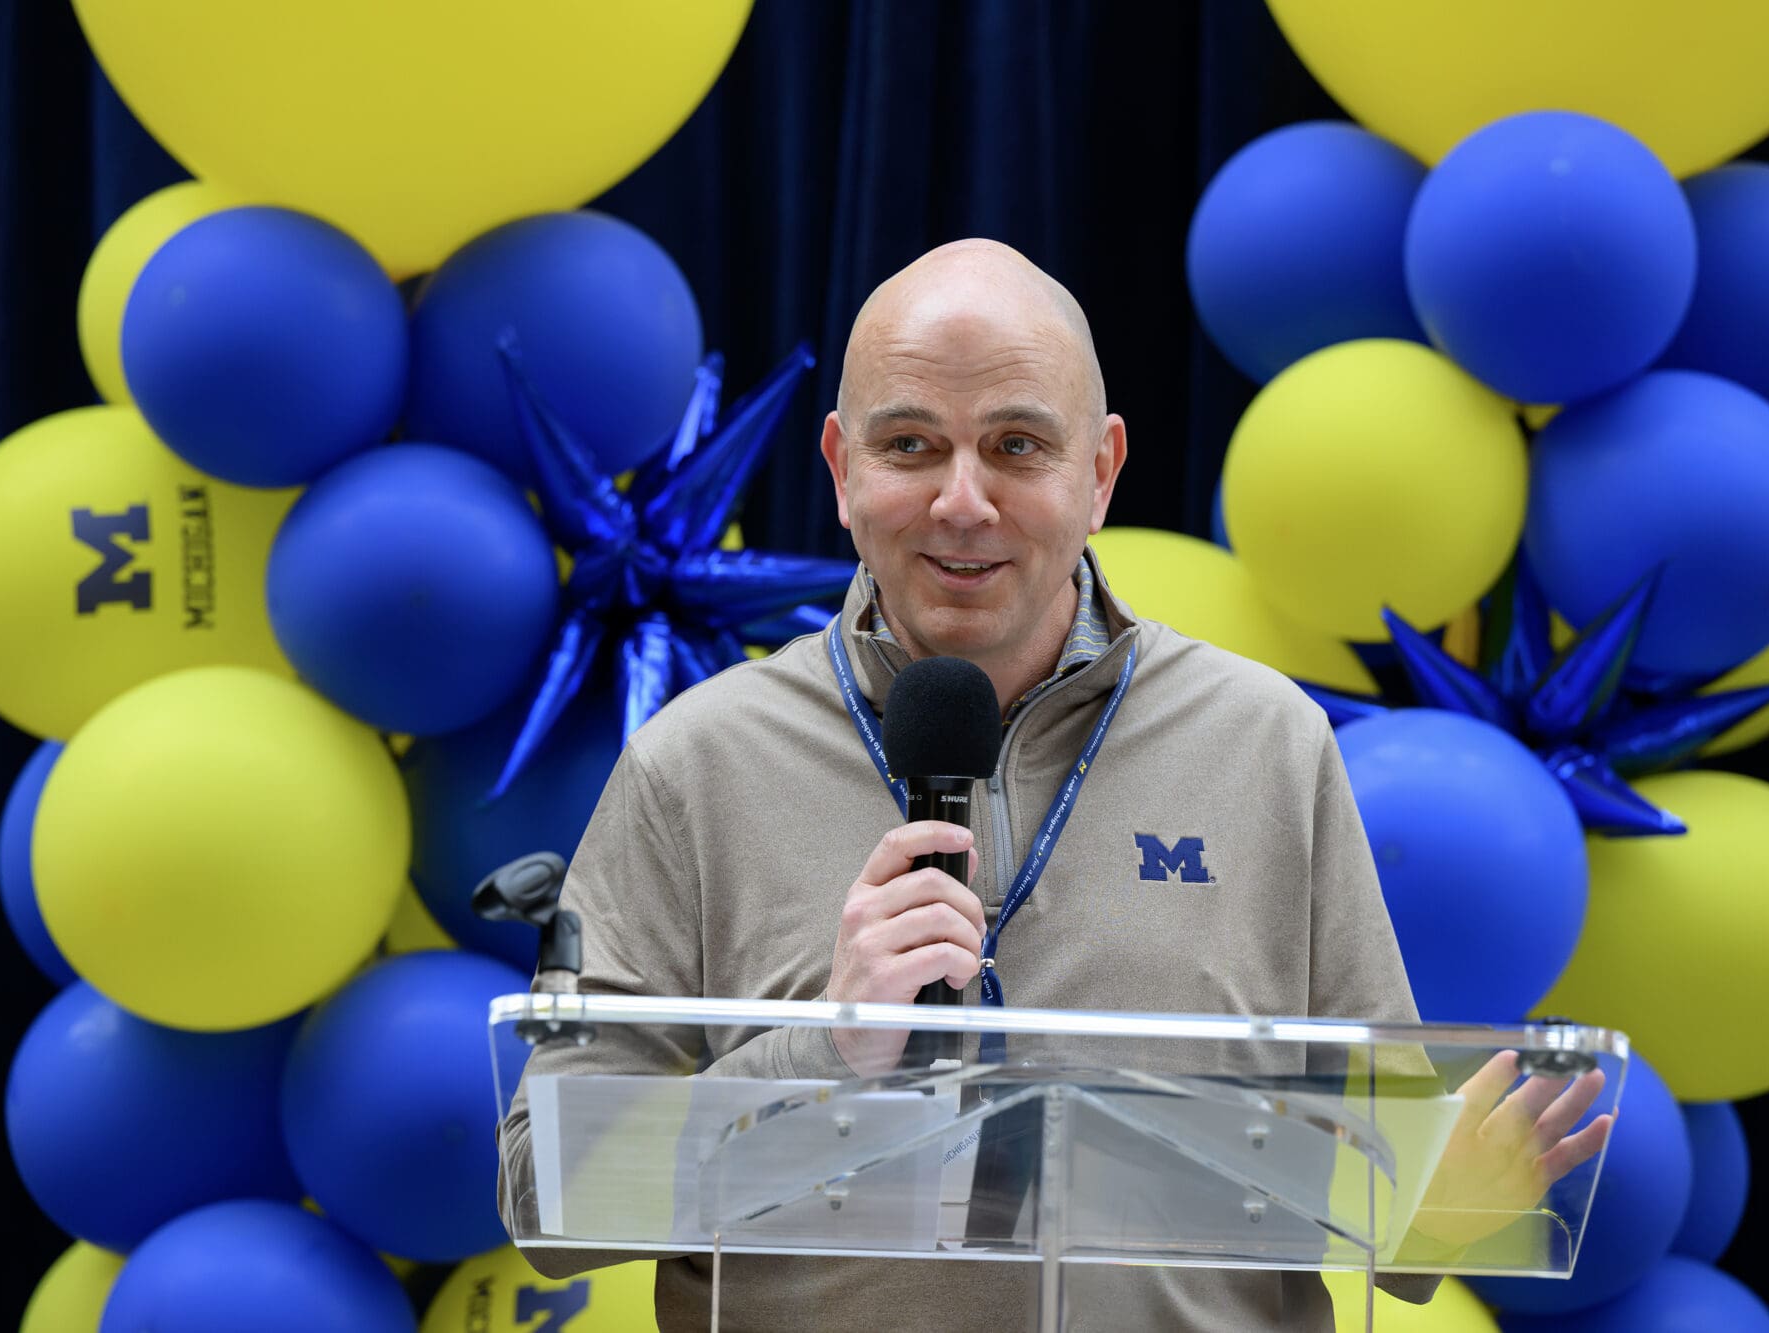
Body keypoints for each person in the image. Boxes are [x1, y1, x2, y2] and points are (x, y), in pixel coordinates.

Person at [499, 240, 1608, 1330]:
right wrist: (825, 1047)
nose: (961, 501)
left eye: (1017, 445)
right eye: (911, 445)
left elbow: (1389, 1193)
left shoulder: (1263, 742)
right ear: (840, 470)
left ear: (1099, 472)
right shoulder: (696, 762)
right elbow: (545, 1197)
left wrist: (1448, 1199)